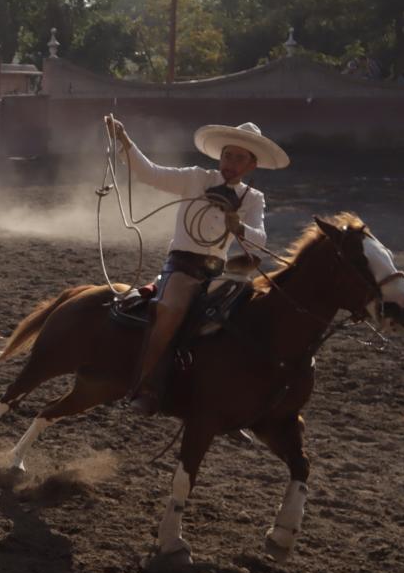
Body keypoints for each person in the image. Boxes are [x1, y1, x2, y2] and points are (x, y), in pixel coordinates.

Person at [103, 113, 283, 415]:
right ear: (220, 156)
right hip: (182, 266)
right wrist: (125, 141)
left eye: (240, 158)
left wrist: (239, 228)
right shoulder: (197, 178)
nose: (231, 163)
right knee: (171, 311)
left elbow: (260, 240)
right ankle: (143, 386)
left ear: (252, 165)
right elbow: (151, 174)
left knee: (247, 324)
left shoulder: (253, 199)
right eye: (228, 155)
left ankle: (226, 402)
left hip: (220, 272)